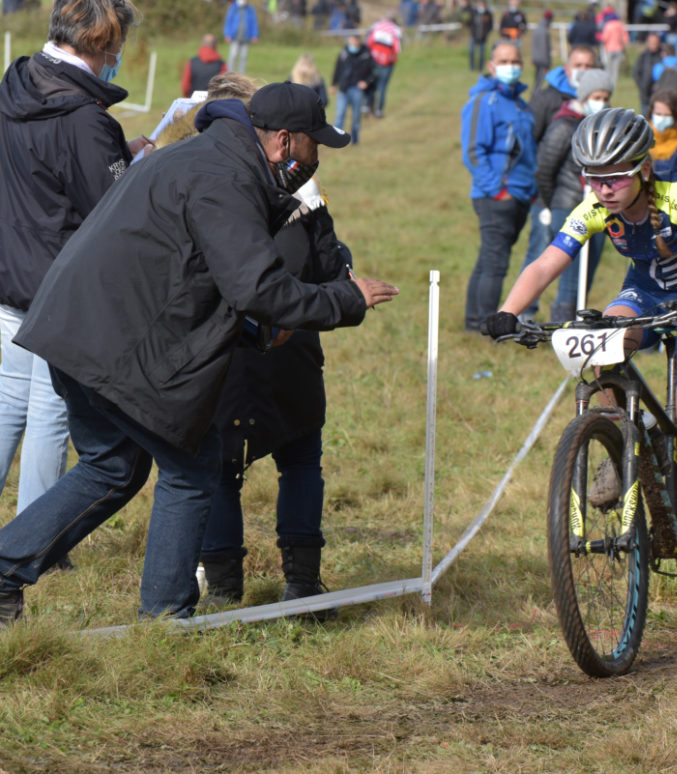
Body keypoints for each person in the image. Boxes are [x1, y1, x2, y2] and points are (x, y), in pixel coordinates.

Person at [0, 82, 398, 626]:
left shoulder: (209, 156)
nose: (317, 158)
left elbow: (201, 277)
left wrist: (259, 333)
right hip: (111, 340)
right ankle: (166, 616)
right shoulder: (224, 179)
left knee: (111, 467)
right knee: (191, 467)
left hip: (76, 328)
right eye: (315, 145)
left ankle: (6, 571)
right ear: (284, 141)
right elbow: (257, 287)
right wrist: (346, 299)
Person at [483, 109, 677, 599]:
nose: (603, 188)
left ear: (644, 169)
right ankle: (627, 433)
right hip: (643, 295)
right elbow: (547, 262)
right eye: (594, 178)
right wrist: (508, 311)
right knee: (598, 342)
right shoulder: (595, 208)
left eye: (615, 178)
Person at [0, 0, 153, 572]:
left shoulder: (15, 85)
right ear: (103, 45)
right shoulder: (86, 118)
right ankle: (34, 542)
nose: (118, 58)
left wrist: (118, 155)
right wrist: (137, 167)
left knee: (8, 402)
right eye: (117, 48)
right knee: (51, 412)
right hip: (57, 287)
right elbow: (110, 209)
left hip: (9, 270)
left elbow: (47, 171)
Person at [521, 69, 615, 323]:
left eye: (605, 98)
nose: (601, 103)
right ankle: (561, 325)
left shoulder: (604, 127)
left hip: (599, 210)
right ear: (584, 96)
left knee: (587, 275)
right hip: (567, 206)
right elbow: (544, 170)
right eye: (596, 97)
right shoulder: (564, 126)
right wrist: (554, 204)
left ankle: (577, 321)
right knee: (571, 277)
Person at [460, 40, 537, 332]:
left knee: (488, 259)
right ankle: (486, 326)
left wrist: (530, 189)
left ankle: (473, 322)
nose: (510, 66)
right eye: (504, 61)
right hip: (495, 196)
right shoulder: (483, 102)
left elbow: (528, 151)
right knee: (496, 263)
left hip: (521, 194)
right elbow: (473, 151)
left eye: (515, 61)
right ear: (491, 66)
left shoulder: (521, 104)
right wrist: (497, 190)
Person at [331, 32, 373, 144]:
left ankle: (355, 139)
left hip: (357, 90)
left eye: (354, 44)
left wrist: (366, 82)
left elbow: (373, 72)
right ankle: (336, 140)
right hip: (343, 88)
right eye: (350, 43)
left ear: (359, 43)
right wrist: (333, 84)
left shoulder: (366, 54)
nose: (352, 46)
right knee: (340, 114)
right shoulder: (344, 52)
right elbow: (338, 68)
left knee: (356, 117)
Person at [367, 14, 402, 118]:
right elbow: (397, 49)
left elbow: (369, 43)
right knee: (382, 87)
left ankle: (367, 107)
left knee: (371, 84)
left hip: (374, 60)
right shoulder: (395, 30)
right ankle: (379, 110)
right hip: (387, 63)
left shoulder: (376, 26)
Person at [182, 33, 226, 98]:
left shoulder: (191, 62)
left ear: (202, 44)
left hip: (194, 101)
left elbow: (185, 86)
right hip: (213, 100)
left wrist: (188, 98)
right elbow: (224, 86)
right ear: (216, 46)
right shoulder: (221, 64)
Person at [632, 32, 665, 114]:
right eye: (652, 42)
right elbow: (636, 72)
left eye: (655, 42)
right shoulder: (643, 56)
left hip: (659, 93)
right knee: (645, 114)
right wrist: (641, 85)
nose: (653, 44)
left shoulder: (663, 55)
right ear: (648, 43)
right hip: (645, 93)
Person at [223, 0, 259, 74]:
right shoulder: (233, 8)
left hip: (246, 37)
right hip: (235, 37)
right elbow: (228, 21)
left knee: (243, 57)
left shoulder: (250, 9)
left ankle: (242, 75)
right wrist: (227, 34)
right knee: (233, 55)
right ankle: (230, 73)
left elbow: (254, 23)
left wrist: (254, 35)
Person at [598, 10, 629, 76]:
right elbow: (625, 38)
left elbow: (605, 38)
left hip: (609, 48)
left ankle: (608, 80)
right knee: (615, 68)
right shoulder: (621, 25)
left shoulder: (608, 25)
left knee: (608, 67)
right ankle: (614, 81)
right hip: (619, 49)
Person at [467, 1, 493, 72]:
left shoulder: (488, 14)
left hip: (483, 37)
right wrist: (472, 32)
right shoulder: (474, 13)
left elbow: (490, 25)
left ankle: (480, 68)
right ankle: (472, 67)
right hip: (473, 36)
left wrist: (486, 33)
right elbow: (469, 23)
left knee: (482, 53)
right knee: (471, 51)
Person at [531, 9, 553, 91]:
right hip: (542, 60)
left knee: (537, 79)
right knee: (539, 80)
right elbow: (544, 47)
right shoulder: (544, 31)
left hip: (536, 57)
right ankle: (536, 94)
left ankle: (535, 92)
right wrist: (547, 63)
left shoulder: (537, 29)